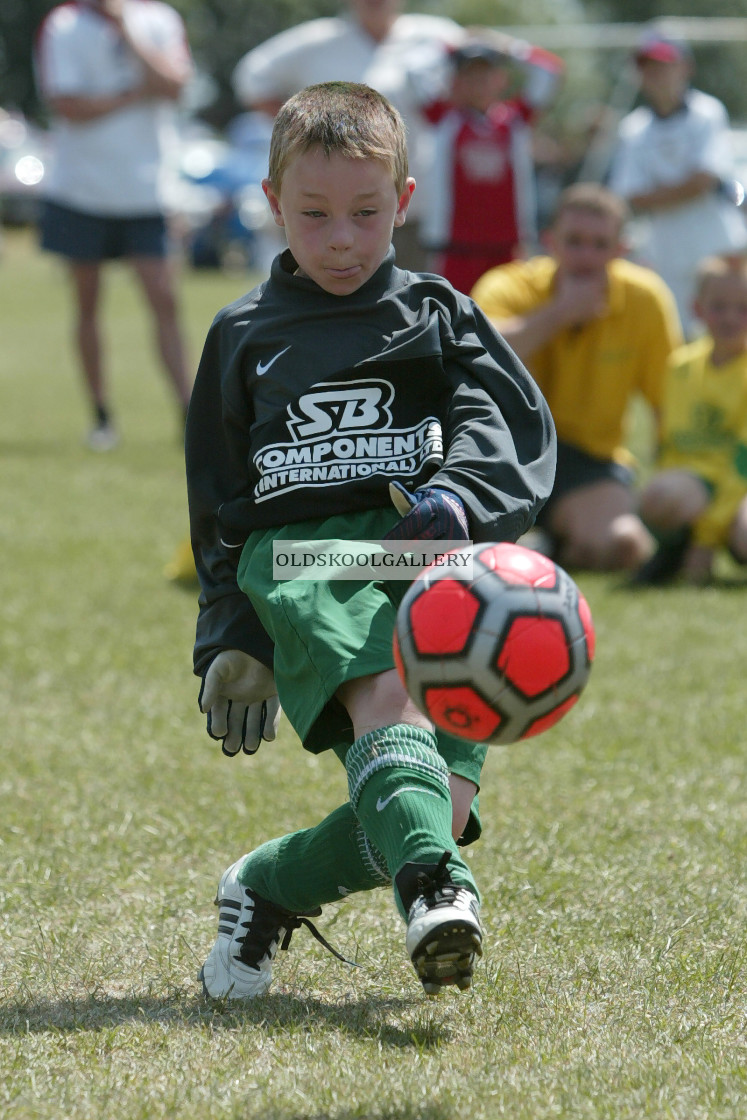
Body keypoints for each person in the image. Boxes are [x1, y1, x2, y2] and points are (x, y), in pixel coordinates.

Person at [186, 81, 556, 999]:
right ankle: (434, 890)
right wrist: (232, 633)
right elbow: (218, 499)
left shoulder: (437, 311)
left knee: (439, 798)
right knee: (391, 698)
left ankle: (266, 886)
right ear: (272, 203)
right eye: (312, 215)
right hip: (307, 559)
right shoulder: (240, 334)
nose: (341, 238)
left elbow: (504, 420)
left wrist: (462, 498)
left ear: (403, 201)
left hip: (430, 554)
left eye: (365, 211)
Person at [471, 182, 683, 573]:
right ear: (550, 241)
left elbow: (669, 401)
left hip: (590, 461)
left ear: (622, 249)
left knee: (625, 545)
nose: (586, 256)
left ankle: (548, 545)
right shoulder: (508, 284)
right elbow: (478, 351)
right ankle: (544, 543)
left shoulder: (646, 298)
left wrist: (675, 481)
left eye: (600, 244)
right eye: (575, 241)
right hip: (507, 452)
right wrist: (560, 313)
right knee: (453, 549)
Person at [35, 0, 193, 450]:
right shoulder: (62, 25)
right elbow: (67, 104)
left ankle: (187, 412)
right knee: (87, 305)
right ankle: (101, 416)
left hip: (147, 192)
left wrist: (126, 28)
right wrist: (132, 95)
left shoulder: (159, 19)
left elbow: (175, 86)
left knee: (165, 300)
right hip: (80, 190)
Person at [231, 0, 466, 271]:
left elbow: (485, 70)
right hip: (333, 208)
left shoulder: (435, 37)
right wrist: (303, 131)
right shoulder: (318, 39)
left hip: (419, 201)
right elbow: (251, 79)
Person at [608, 28, 747, 339]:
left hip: (717, 248)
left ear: (685, 67)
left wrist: (658, 193)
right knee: (678, 339)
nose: (655, 74)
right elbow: (630, 196)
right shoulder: (633, 128)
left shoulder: (707, 113)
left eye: (663, 64)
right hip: (666, 254)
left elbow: (705, 178)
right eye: (647, 66)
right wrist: (687, 187)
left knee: (729, 338)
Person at [413, 31, 564, 295]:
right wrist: (454, 43)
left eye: (487, 73)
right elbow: (413, 72)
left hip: (506, 247)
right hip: (454, 247)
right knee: (450, 323)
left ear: (501, 79)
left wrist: (509, 45)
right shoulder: (443, 119)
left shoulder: (516, 119)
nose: (479, 81)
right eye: (470, 73)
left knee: (504, 324)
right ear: (456, 80)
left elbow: (549, 70)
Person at [632, 255, 747, 585]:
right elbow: (672, 445)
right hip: (701, 482)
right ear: (697, 308)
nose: (731, 317)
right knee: (658, 496)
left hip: (740, 483)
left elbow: (742, 462)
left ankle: (719, 545)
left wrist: (707, 539)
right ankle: (673, 551)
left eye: (743, 307)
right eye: (719, 306)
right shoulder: (680, 366)